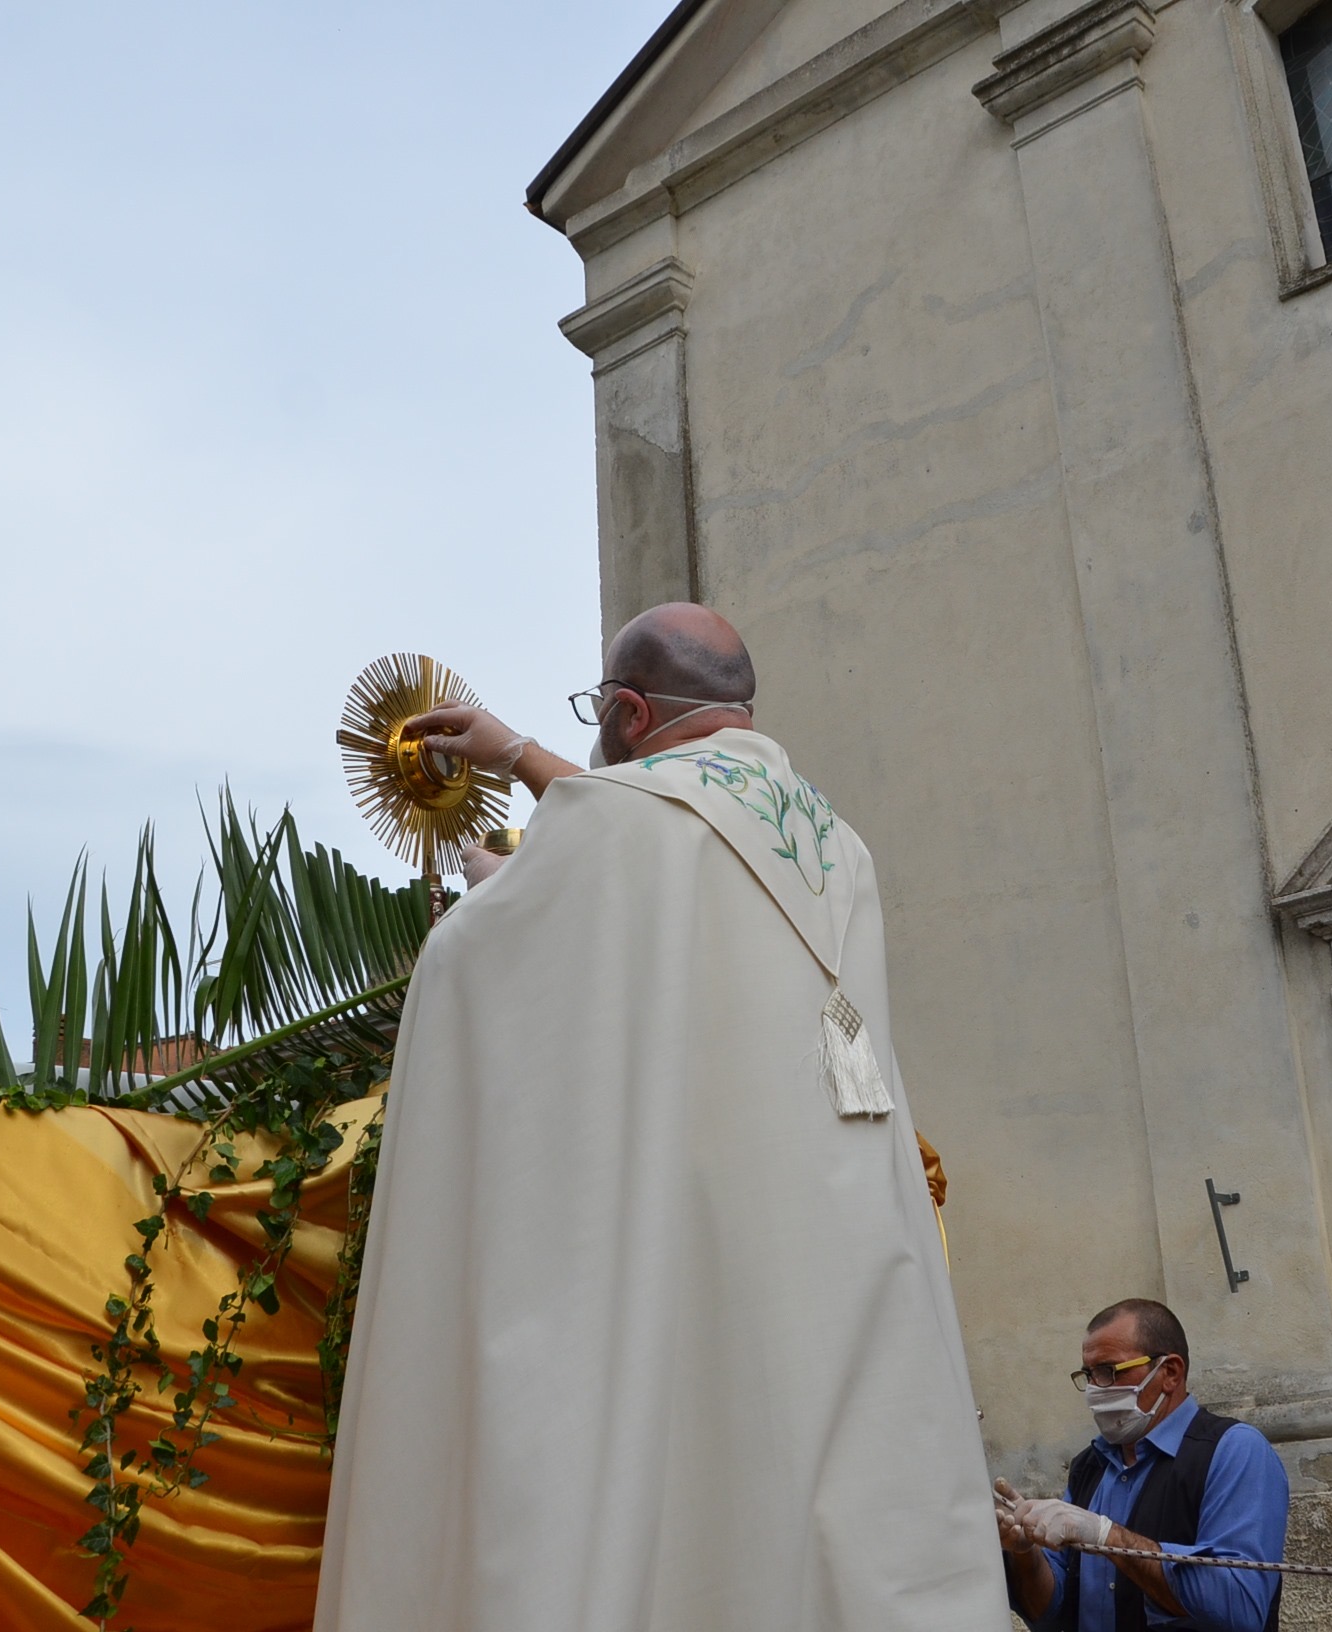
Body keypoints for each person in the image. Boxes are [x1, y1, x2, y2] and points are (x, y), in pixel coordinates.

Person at [314, 603, 1005, 1632]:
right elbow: (659, 841)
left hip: (698, 1236)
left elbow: (533, 935)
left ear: (629, 711)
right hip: (839, 1250)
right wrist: (533, 780)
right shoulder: (836, 843)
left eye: (600, 712)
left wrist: (488, 886)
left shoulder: (633, 818)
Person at [995, 1298, 1288, 1632]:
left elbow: (1238, 1609)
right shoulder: (1089, 1465)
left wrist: (1107, 1535)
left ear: (1170, 1373)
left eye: (1109, 1371)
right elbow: (1051, 1611)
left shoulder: (1233, 1450)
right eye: (1088, 1375)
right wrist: (1025, 1552)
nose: (1094, 1390)